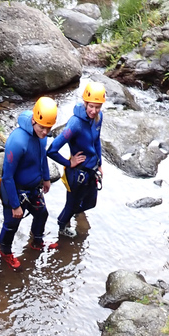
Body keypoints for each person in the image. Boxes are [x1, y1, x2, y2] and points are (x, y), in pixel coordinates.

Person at [0, 97, 58, 268]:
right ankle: (5, 251)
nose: (45, 132)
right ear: (33, 120)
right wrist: (15, 205)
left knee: (42, 214)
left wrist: (46, 178)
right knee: (11, 224)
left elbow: (42, 156)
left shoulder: (42, 135)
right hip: (14, 190)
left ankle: (36, 241)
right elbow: (7, 176)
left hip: (33, 188)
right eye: (42, 127)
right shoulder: (17, 141)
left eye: (49, 128)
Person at [47, 82, 106, 238]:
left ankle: (74, 213)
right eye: (91, 106)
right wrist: (69, 162)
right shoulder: (75, 124)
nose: (94, 111)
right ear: (85, 103)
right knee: (71, 205)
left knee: (90, 203)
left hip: (91, 170)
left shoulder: (98, 118)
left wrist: (99, 164)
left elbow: (97, 140)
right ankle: (62, 227)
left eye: (97, 107)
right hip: (78, 174)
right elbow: (52, 150)